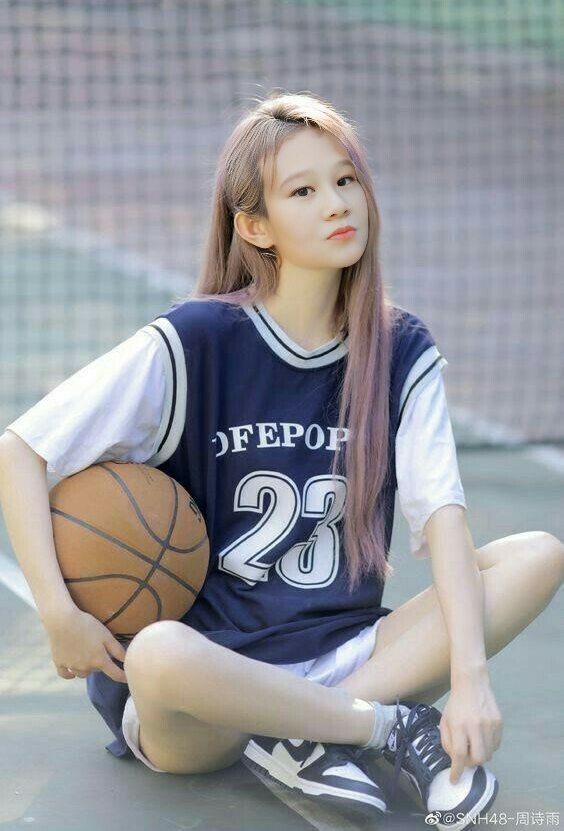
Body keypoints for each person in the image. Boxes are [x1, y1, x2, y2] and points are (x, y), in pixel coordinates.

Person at [0, 91, 562, 830]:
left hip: (347, 654)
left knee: (537, 555)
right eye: (303, 191)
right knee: (159, 653)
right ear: (254, 227)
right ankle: (379, 728)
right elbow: (21, 449)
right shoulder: (196, 341)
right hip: (210, 690)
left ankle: (311, 730)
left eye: (346, 179)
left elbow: (445, 520)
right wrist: (58, 613)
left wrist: (471, 680)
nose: (337, 203)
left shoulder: (399, 349)